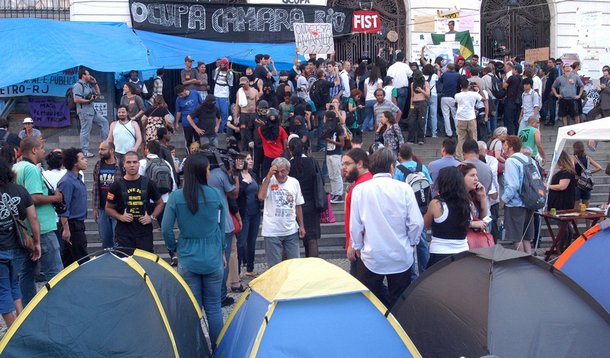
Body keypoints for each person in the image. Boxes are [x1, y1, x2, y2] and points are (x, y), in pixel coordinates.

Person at [161, 153, 225, 349]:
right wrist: (221, 248)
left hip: (188, 257)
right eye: (207, 170)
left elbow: (166, 228)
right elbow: (221, 226)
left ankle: (195, 350)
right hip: (212, 256)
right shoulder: (215, 194)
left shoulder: (177, 196)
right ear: (201, 172)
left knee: (193, 310)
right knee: (214, 309)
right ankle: (219, 349)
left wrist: (173, 248)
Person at [350, 148, 424, 308]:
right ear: (392, 167)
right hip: (400, 253)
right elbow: (416, 223)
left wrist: (357, 245)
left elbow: (355, 225)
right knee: (399, 301)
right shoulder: (404, 189)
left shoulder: (360, 190)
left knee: (370, 301)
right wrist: (412, 242)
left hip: (372, 254)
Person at [11, 137, 61, 305]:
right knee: (55, 273)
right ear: (33, 150)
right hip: (42, 227)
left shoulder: (16, 167)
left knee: (26, 272)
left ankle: (28, 308)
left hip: (24, 230)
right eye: (42, 148)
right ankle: (57, 307)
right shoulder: (31, 169)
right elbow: (33, 197)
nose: (43, 152)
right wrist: (55, 198)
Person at [0, 159, 41, 328]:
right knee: (14, 284)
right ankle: (22, 324)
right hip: (18, 246)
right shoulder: (21, 190)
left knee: (3, 289)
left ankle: (13, 332)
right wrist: (36, 242)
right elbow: (33, 218)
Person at [105, 151, 164, 253]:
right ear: (123, 164)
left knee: (145, 264)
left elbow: (160, 203)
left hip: (144, 233)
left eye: (135, 162)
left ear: (139, 164)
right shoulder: (116, 185)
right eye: (128, 162)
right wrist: (120, 217)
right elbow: (108, 208)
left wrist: (152, 217)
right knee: (125, 265)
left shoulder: (149, 183)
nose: (132, 165)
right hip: (124, 234)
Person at [258, 157, 306, 268]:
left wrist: (301, 226)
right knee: (275, 267)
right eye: (277, 172)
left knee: (294, 264)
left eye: (283, 171)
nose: (280, 174)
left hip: (291, 230)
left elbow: (298, 205)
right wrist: (269, 176)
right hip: (272, 231)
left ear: (288, 171)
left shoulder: (294, 182)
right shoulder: (268, 181)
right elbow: (261, 196)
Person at [394, 144, 432, 277]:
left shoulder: (398, 170)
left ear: (399, 155)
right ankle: (425, 272)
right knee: (422, 242)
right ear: (412, 154)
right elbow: (430, 186)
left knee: (408, 243)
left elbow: (396, 190)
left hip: (405, 210)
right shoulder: (422, 167)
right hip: (421, 209)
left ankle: (410, 274)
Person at [424, 166, 471, 268]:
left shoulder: (436, 204)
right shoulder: (467, 203)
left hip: (439, 253)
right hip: (462, 252)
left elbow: (426, 224)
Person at [501, 135, 535, 254]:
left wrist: (503, 200)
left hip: (515, 204)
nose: (503, 147)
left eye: (505, 145)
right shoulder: (530, 160)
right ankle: (530, 263)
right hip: (530, 202)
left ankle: (520, 262)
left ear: (510, 147)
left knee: (517, 237)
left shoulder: (511, 161)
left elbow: (513, 185)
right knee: (526, 237)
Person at [288, 138, 320, 257]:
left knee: (289, 239)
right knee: (311, 238)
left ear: (290, 150)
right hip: (311, 203)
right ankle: (312, 268)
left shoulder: (289, 165)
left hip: (294, 205)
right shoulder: (311, 162)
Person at [342, 148, 372, 276]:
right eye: (343, 164)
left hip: (361, 246)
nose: (344, 168)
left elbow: (356, 220)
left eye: (347, 164)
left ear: (359, 164)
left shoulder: (359, 188)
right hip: (366, 244)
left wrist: (352, 245)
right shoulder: (367, 181)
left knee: (362, 286)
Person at [57, 148, 89, 265]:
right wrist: (66, 229)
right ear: (75, 163)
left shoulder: (78, 178)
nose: (85, 161)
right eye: (82, 158)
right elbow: (64, 207)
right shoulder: (67, 182)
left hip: (78, 223)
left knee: (69, 259)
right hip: (71, 224)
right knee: (82, 259)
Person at [72, 68, 109, 158]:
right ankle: (84, 151)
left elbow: (98, 93)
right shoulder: (78, 85)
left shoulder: (88, 85)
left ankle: (104, 145)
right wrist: (88, 100)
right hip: (84, 111)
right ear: (83, 75)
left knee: (104, 122)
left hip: (92, 110)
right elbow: (76, 99)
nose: (89, 76)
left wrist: (95, 83)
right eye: (88, 74)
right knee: (85, 130)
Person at [92, 141, 122, 249]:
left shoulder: (121, 165)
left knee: (118, 240)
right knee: (105, 240)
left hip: (117, 208)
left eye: (103, 149)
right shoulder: (98, 165)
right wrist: (95, 208)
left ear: (112, 151)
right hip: (102, 209)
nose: (100, 152)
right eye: (99, 149)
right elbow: (95, 187)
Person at [235, 153, 260, 277]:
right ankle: (238, 270)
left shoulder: (254, 175)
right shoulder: (237, 176)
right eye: (248, 159)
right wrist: (244, 183)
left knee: (252, 241)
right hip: (243, 212)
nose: (251, 161)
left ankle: (250, 267)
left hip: (255, 212)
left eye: (251, 159)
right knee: (241, 242)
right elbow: (236, 194)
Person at [547, 151, 577, 250]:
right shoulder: (565, 171)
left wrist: (548, 186)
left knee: (563, 226)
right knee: (564, 226)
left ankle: (563, 247)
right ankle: (564, 246)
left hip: (562, 202)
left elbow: (562, 186)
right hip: (559, 201)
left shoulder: (567, 172)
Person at [455, 77, 484, 160]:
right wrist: (479, 88)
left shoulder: (457, 95)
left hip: (461, 117)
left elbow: (456, 102)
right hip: (471, 117)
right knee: (473, 138)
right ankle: (474, 155)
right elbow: (484, 99)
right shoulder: (474, 94)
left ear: (460, 86)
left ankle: (459, 156)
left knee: (461, 138)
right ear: (468, 86)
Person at [321, 111, 345, 203]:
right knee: (331, 175)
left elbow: (342, 143)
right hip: (329, 153)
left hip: (336, 153)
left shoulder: (338, 128)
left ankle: (339, 194)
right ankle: (334, 192)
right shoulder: (327, 128)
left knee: (337, 174)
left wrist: (330, 141)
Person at [258, 108, 288, 177]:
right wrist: (284, 151)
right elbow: (285, 142)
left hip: (267, 156)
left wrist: (264, 125)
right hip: (279, 156)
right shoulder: (280, 129)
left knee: (266, 176)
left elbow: (267, 128)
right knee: (279, 176)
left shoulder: (260, 130)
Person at [234, 76, 260, 151]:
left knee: (255, 132)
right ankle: (244, 150)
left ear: (248, 82)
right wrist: (235, 117)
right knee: (243, 132)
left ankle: (255, 149)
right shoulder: (240, 92)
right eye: (241, 85)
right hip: (244, 114)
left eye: (244, 84)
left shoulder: (254, 91)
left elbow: (257, 104)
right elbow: (237, 105)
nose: (243, 86)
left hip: (253, 114)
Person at [573, 141, 601, 208]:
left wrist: (578, 174)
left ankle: (576, 218)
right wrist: (589, 172)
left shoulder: (574, 158)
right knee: (586, 206)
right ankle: (587, 218)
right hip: (587, 183)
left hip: (577, 183)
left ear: (575, 148)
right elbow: (599, 167)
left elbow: (572, 170)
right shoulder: (587, 158)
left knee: (576, 205)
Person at [175, 84, 202, 152]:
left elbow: (202, 104)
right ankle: (189, 154)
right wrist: (177, 123)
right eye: (179, 95)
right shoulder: (178, 99)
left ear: (184, 90)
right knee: (188, 140)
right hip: (186, 122)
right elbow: (178, 111)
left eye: (181, 94)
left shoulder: (195, 93)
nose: (180, 96)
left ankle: (198, 154)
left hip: (197, 121)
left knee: (197, 139)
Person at [386, 51, 413, 116]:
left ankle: (392, 122)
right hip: (402, 89)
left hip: (392, 89)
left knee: (392, 107)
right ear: (403, 58)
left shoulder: (391, 67)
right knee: (400, 109)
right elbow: (411, 74)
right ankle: (398, 123)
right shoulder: (405, 66)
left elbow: (388, 77)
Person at [212, 58, 234, 133]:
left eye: (223, 63)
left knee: (224, 113)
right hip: (216, 93)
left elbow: (231, 84)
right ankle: (216, 129)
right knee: (216, 112)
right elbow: (214, 78)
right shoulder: (217, 70)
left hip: (224, 94)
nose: (222, 64)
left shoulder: (230, 73)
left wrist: (228, 75)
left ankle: (222, 130)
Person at [439, 63, 461, 137]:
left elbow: (441, 80)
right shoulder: (457, 75)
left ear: (447, 68)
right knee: (455, 115)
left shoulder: (444, 75)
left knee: (446, 116)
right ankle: (458, 132)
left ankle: (449, 133)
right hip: (453, 97)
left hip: (444, 96)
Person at [363, 66, 383, 132]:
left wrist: (366, 98)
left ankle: (362, 129)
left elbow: (365, 91)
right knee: (377, 116)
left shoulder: (366, 80)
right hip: (375, 100)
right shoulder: (379, 80)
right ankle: (377, 129)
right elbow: (379, 90)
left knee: (368, 116)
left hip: (368, 100)